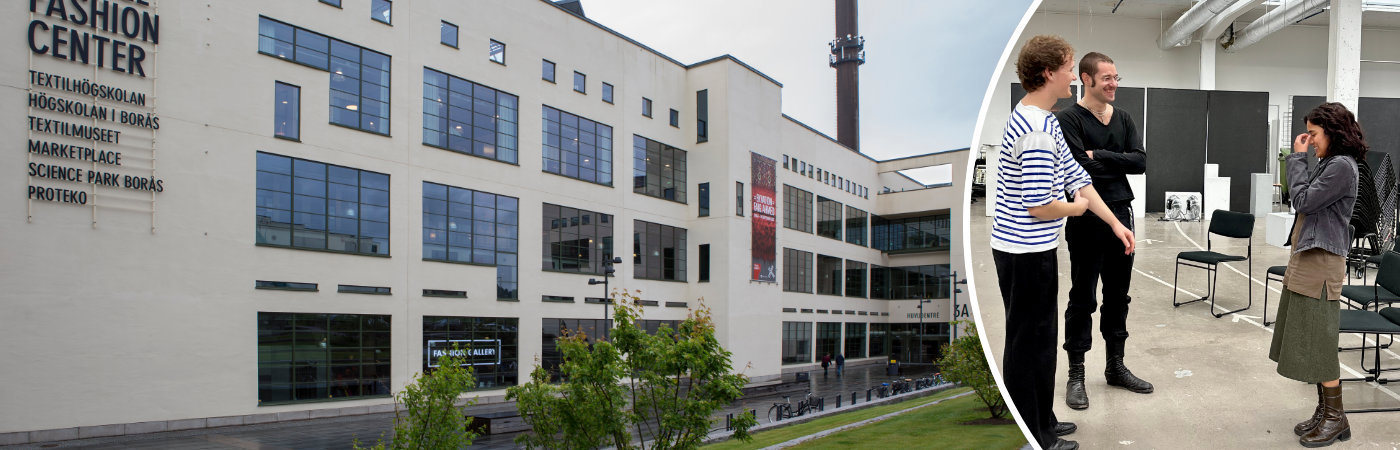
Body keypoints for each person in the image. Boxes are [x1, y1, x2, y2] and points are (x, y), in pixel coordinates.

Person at [992, 35, 1135, 450]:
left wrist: (1113, 223)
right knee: (1028, 345)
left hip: (1032, 250)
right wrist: (1074, 210)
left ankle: (1044, 421)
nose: (1073, 76)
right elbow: (1040, 205)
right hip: (1024, 254)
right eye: (1069, 68)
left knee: (1037, 341)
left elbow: (1078, 178)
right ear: (1049, 73)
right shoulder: (1037, 130)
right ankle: (1035, 434)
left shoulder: (1043, 119)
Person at [1055, 51, 1152, 411]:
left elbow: (1140, 162)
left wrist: (1102, 156)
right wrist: (1106, 159)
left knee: (1118, 297)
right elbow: (1078, 169)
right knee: (1082, 298)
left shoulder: (1123, 117)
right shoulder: (1068, 119)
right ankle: (1076, 374)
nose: (1113, 84)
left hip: (1121, 215)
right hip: (1084, 218)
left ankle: (1115, 367)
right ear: (1086, 78)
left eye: (1116, 77)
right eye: (1107, 78)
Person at [1271, 102, 1364, 448]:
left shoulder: (1341, 166)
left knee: (1320, 343)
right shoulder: (1331, 163)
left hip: (1322, 263)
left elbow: (1304, 202)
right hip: (1311, 258)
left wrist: (1296, 160)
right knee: (1310, 339)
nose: (1309, 141)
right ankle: (1325, 412)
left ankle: (1336, 418)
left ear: (1333, 132)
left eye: (1313, 134)